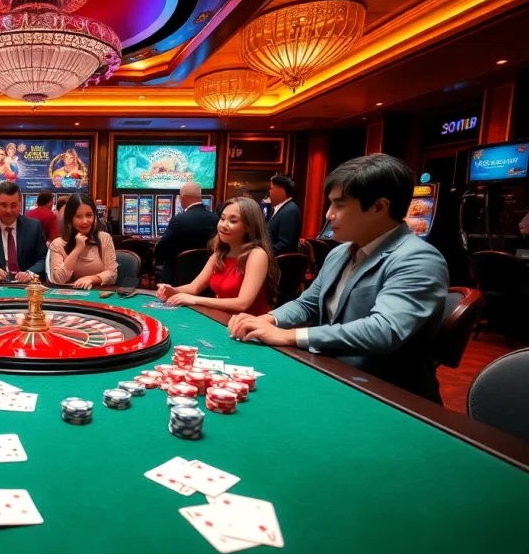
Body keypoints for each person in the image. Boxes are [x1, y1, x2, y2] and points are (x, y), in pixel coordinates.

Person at [228, 154, 449, 403]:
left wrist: (292, 336)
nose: (329, 216)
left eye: (339, 205)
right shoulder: (340, 252)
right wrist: (268, 319)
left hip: (388, 397)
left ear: (379, 207)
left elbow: (384, 331)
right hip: (332, 375)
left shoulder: (418, 259)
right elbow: (307, 304)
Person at [157, 197, 278, 316]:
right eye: (222, 218)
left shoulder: (257, 254)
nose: (223, 225)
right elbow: (194, 288)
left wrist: (195, 300)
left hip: (251, 327)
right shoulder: (220, 253)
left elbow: (242, 304)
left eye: (233, 221)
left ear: (249, 227)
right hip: (222, 320)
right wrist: (173, 290)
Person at [0, 181, 47, 283]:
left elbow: (43, 258)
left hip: (26, 285)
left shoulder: (34, 227)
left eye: (14, 205)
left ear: (19, 204)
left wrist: (30, 273)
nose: (9, 210)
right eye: (3, 205)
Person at [154, 181, 219, 285]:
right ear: (200, 197)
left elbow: (160, 250)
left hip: (178, 276)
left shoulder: (179, 219)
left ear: (182, 197)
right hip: (208, 275)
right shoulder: (216, 218)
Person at [48, 193, 117, 289]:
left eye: (89, 215)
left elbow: (112, 274)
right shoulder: (57, 244)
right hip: (69, 297)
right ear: (70, 219)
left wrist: (91, 279)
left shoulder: (105, 238)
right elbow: (58, 279)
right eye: (78, 216)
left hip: (98, 294)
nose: (85, 221)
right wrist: (77, 249)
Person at [266, 174, 302, 255]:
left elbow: (285, 245)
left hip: (279, 264)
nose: (269, 192)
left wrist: (262, 254)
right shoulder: (279, 208)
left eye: (271, 188)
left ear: (281, 190)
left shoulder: (290, 210)